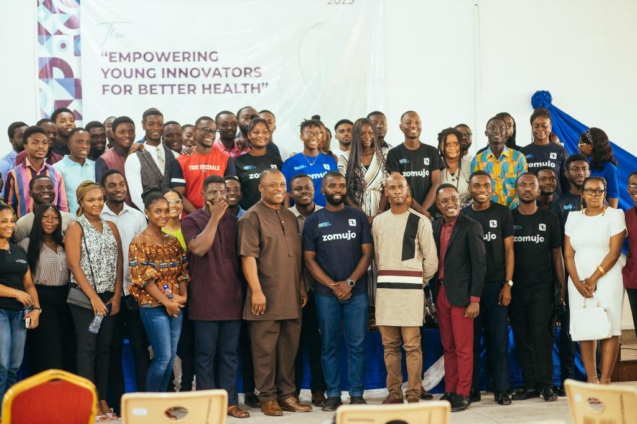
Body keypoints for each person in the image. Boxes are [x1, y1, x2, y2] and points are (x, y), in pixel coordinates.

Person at [238, 169, 311, 416]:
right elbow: (247, 257)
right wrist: (256, 291)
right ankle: (267, 397)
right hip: (265, 296)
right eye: (272, 185)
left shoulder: (290, 216)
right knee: (264, 351)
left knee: (288, 349)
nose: (279, 188)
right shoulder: (251, 217)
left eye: (281, 184)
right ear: (261, 188)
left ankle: (287, 395)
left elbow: (296, 256)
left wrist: (301, 286)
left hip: (291, 295)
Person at [303, 172, 373, 411]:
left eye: (342, 186)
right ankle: (332, 394)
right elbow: (309, 260)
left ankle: (356, 394)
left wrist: (349, 283)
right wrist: (334, 286)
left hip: (357, 293)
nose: (337, 189)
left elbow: (368, 253)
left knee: (357, 345)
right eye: (332, 185)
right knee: (329, 345)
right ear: (322, 190)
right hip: (326, 295)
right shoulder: (313, 220)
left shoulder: (358, 216)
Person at [182, 175, 248, 418]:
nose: (219, 197)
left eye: (223, 193)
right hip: (204, 299)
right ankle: (208, 404)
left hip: (231, 298)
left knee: (230, 355)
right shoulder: (191, 221)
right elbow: (198, 248)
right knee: (205, 356)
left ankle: (230, 403)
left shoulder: (234, 221)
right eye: (213, 193)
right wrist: (215, 218)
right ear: (203, 195)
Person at [372, 174, 438, 404]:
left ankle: (413, 393)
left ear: (407, 189)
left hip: (411, 293)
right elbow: (378, 258)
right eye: (392, 187)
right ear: (386, 192)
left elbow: (431, 261)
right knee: (389, 346)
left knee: (412, 346)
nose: (397, 191)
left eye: (401, 186)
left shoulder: (420, 221)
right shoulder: (379, 222)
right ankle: (394, 393)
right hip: (386, 293)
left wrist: (417, 283)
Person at [65, 181, 123, 421]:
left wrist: (117, 295)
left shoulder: (111, 226)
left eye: (100, 199)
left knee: (105, 348)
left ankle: (103, 399)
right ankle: (89, 402)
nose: (97, 203)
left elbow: (119, 262)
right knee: (87, 348)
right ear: (81, 202)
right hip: (85, 297)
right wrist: (94, 298)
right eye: (91, 200)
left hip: (109, 296)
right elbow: (73, 265)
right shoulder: (76, 226)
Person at [565, 176, 626, 385]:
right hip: (578, 280)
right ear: (582, 194)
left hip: (608, 278)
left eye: (599, 190)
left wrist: (592, 279)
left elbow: (614, 252)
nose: (594, 194)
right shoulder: (573, 217)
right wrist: (577, 282)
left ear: (605, 193)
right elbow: (568, 255)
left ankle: (605, 380)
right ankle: (592, 381)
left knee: (611, 327)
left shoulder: (615, 215)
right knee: (586, 327)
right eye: (590, 190)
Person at [508, 173, 563, 402]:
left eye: (532, 185)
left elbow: (557, 254)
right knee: (522, 337)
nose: (527, 188)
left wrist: (561, 286)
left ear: (539, 190)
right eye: (523, 185)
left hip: (542, 289)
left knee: (541, 338)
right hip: (515, 289)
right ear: (516, 190)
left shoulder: (550, 219)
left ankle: (546, 385)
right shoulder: (509, 218)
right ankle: (530, 385)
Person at [129, 191, 189, 395]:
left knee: (171, 358)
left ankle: (161, 403)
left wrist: (183, 296)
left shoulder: (172, 241)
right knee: (162, 357)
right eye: (157, 211)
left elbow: (183, 271)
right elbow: (144, 280)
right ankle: (151, 404)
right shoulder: (138, 242)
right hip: (152, 306)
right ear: (146, 212)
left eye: (166, 210)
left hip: (176, 305)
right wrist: (167, 302)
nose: (163, 215)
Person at [432, 183, 485, 412]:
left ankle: (464, 393)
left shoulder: (472, 226)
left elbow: (480, 265)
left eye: (453, 198)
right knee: (448, 347)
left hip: (463, 297)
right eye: (444, 201)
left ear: (459, 200)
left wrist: (475, 299)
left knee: (464, 348)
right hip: (441, 293)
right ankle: (451, 390)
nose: (450, 203)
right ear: (437, 205)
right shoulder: (435, 227)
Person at [462, 171, 514, 405]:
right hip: (471, 289)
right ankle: (472, 388)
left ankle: (501, 388)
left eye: (486, 185)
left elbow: (509, 250)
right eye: (477, 185)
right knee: (471, 342)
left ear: (492, 188)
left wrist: (508, 284)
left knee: (498, 340)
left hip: (496, 286)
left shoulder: (503, 212)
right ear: (469, 188)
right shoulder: (464, 214)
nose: (482, 189)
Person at [100, 169, 150, 408]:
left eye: (121, 184)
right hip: (107, 294)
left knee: (140, 348)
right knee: (111, 348)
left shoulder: (137, 217)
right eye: (112, 185)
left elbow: (145, 255)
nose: (118, 188)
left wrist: (141, 290)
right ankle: (117, 402)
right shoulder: (96, 215)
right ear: (103, 190)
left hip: (134, 294)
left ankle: (143, 401)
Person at [550, 154, 590, 395]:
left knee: (593, 327)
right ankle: (568, 380)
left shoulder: (599, 203)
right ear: (566, 173)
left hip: (594, 276)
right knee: (567, 331)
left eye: (584, 168)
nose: (580, 172)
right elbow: (557, 248)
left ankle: (593, 377)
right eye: (575, 169)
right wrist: (562, 284)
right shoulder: (560, 204)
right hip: (568, 276)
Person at [19, 204, 73, 374]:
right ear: (38, 220)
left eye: (55, 218)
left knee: (66, 347)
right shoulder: (26, 244)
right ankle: (47, 389)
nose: (51, 221)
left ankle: (64, 388)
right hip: (41, 298)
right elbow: (25, 280)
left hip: (65, 299)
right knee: (49, 350)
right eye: (46, 217)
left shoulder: (64, 243)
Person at [289, 174, 327, 407]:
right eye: (298, 188)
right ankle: (292, 390)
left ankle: (318, 389)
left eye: (308, 187)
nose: (304, 191)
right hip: (293, 288)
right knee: (293, 343)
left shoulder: (326, 214)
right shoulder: (285, 216)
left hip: (322, 287)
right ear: (291, 192)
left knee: (318, 342)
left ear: (315, 189)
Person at [0, 204, 41, 420]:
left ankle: (8, 414)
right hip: (1, 312)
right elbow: (21, 290)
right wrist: (16, 294)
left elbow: (29, 284)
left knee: (14, 367)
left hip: (19, 315)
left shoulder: (18, 250)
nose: (9, 225)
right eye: (3, 221)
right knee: (1, 366)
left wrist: (36, 309)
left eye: (11, 220)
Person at [162, 189, 194, 393]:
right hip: (164, 297)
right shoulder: (156, 231)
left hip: (190, 295)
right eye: (168, 202)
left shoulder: (190, 227)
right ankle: (167, 390)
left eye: (177, 201)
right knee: (166, 349)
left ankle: (187, 389)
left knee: (188, 346)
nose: (173, 205)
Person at [171, 116, 235, 214]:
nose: (210, 134)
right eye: (205, 129)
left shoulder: (226, 159)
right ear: (194, 131)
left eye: (213, 131)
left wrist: (215, 214)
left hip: (219, 215)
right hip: (190, 217)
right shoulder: (181, 160)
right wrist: (199, 216)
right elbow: (178, 194)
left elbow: (229, 191)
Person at [386, 111, 443, 217]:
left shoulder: (432, 151)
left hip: (428, 213)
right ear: (401, 127)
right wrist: (420, 211)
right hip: (403, 212)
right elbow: (398, 186)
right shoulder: (394, 153)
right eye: (408, 122)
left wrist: (423, 210)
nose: (413, 125)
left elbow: (436, 183)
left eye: (417, 122)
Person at [4, 126, 69, 217]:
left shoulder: (56, 173)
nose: (41, 146)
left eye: (44, 142)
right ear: (26, 147)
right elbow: (9, 206)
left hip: (51, 223)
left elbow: (63, 206)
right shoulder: (13, 174)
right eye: (35, 143)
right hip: (24, 224)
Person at [125, 110, 179, 211]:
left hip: (173, 215)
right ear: (143, 125)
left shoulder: (175, 156)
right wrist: (153, 215)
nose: (156, 128)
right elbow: (136, 197)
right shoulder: (134, 158)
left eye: (159, 124)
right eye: (151, 124)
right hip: (147, 216)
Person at [471, 116, 527, 209]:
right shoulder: (478, 160)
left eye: (501, 128)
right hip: (488, 212)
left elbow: (523, 186)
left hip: (515, 211)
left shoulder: (518, 157)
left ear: (506, 133)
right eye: (492, 128)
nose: (497, 131)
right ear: (486, 133)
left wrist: (509, 211)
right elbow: (476, 189)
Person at [282, 119, 338, 208]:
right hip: (301, 213)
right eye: (309, 134)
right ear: (301, 137)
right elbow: (287, 193)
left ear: (321, 136)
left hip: (326, 211)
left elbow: (335, 188)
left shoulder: (330, 161)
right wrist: (288, 213)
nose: (313, 137)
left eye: (317, 134)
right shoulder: (290, 163)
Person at [342, 118, 388, 220]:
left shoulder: (383, 156)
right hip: (353, 212)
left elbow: (387, 187)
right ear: (355, 135)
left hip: (379, 212)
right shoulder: (346, 157)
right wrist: (361, 214)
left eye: (370, 133)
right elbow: (342, 189)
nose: (367, 137)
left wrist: (379, 213)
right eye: (362, 134)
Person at [234, 117, 283, 210]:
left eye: (265, 132)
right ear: (249, 135)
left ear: (269, 134)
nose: (261, 135)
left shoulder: (277, 162)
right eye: (256, 132)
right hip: (248, 214)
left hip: (274, 213)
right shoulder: (238, 162)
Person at [521, 108, 569, 195]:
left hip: (556, 201)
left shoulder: (561, 151)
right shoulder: (523, 153)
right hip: (531, 201)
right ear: (532, 127)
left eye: (544, 126)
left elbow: (567, 184)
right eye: (536, 126)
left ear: (550, 126)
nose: (540, 129)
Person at [14, 175, 75, 242]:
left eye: (50, 187)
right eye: (39, 188)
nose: (46, 190)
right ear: (30, 193)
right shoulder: (23, 224)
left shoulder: (69, 219)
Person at [53, 128, 96, 215]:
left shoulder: (94, 166)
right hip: (70, 220)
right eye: (80, 142)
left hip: (94, 220)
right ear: (69, 144)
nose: (85, 146)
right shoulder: (57, 168)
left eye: (88, 142)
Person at [578, 128, 620, 208]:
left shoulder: (610, 169)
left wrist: (610, 215)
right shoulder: (582, 165)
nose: (578, 147)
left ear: (591, 146)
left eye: (581, 144)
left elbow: (613, 200)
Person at [95, 116, 135, 184]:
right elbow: (101, 187)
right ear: (113, 134)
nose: (127, 135)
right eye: (122, 132)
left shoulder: (139, 154)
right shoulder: (104, 160)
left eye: (131, 132)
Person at [439, 128, 472, 208]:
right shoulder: (435, 166)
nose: (452, 147)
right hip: (441, 212)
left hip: (467, 211)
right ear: (440, 146)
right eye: (447, 144)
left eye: (456, 144)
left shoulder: (471, 166)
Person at [624, 172, 637, 336]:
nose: (636, 189)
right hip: (633, 280)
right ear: (628, 188)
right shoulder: (627, 215)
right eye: (633, 185)